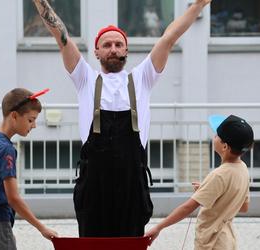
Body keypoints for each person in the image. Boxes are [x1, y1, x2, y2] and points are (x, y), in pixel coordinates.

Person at [32, 0, 212, 237]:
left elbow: (169, 37)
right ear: (96, 52)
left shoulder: (142, 78)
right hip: (94, 186)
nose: (113, 49)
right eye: (107, 45)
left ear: (126, 50)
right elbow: (60, 34)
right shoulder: (85, 78)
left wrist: (197, 6)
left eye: (119, 44)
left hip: (131, 186)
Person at [145, 114, 254, 250]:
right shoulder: (243, 169)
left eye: (216, 136)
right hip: (228, 241)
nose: (214, 138)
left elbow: (187, 207)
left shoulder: (218, 175)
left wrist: (158, 228)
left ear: (225, 146)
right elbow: (243, 207)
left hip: (212, 243)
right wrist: (208, 191)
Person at [0, 88, 58, 249]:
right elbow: (13, 198)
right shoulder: (4, 149)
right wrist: (41, 227)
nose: (34, 125)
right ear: (14, 115)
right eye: (31, 120)